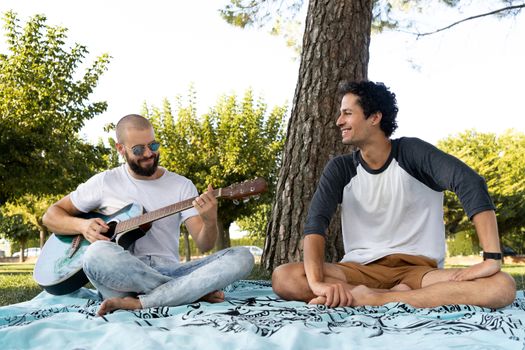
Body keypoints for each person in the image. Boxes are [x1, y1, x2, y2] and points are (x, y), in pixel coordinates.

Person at [271, 81, 516, 309]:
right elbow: (316, 224)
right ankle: (386, 296)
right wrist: (317, 284)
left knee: (501, 286)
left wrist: (492, 258)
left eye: (347, 113)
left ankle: (375, 298)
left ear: (375, 117)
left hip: (419, 272)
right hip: (359, 270)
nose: (338, 121)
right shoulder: (341, 168)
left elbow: (469, 181)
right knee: (285, 277)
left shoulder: (412, 153)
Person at [42, 114, 254, 316]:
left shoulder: (182, 185)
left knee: (243, 257)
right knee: (95, 254)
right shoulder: (104, 182)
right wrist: (82, 226)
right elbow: (51, 216)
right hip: (119, 280)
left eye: (153, 145)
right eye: (138, 149)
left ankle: (143, 302)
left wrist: (209, 221)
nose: (149, 153)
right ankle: (188, 292)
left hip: (172, 271)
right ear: (121, 149)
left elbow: (205, 244)